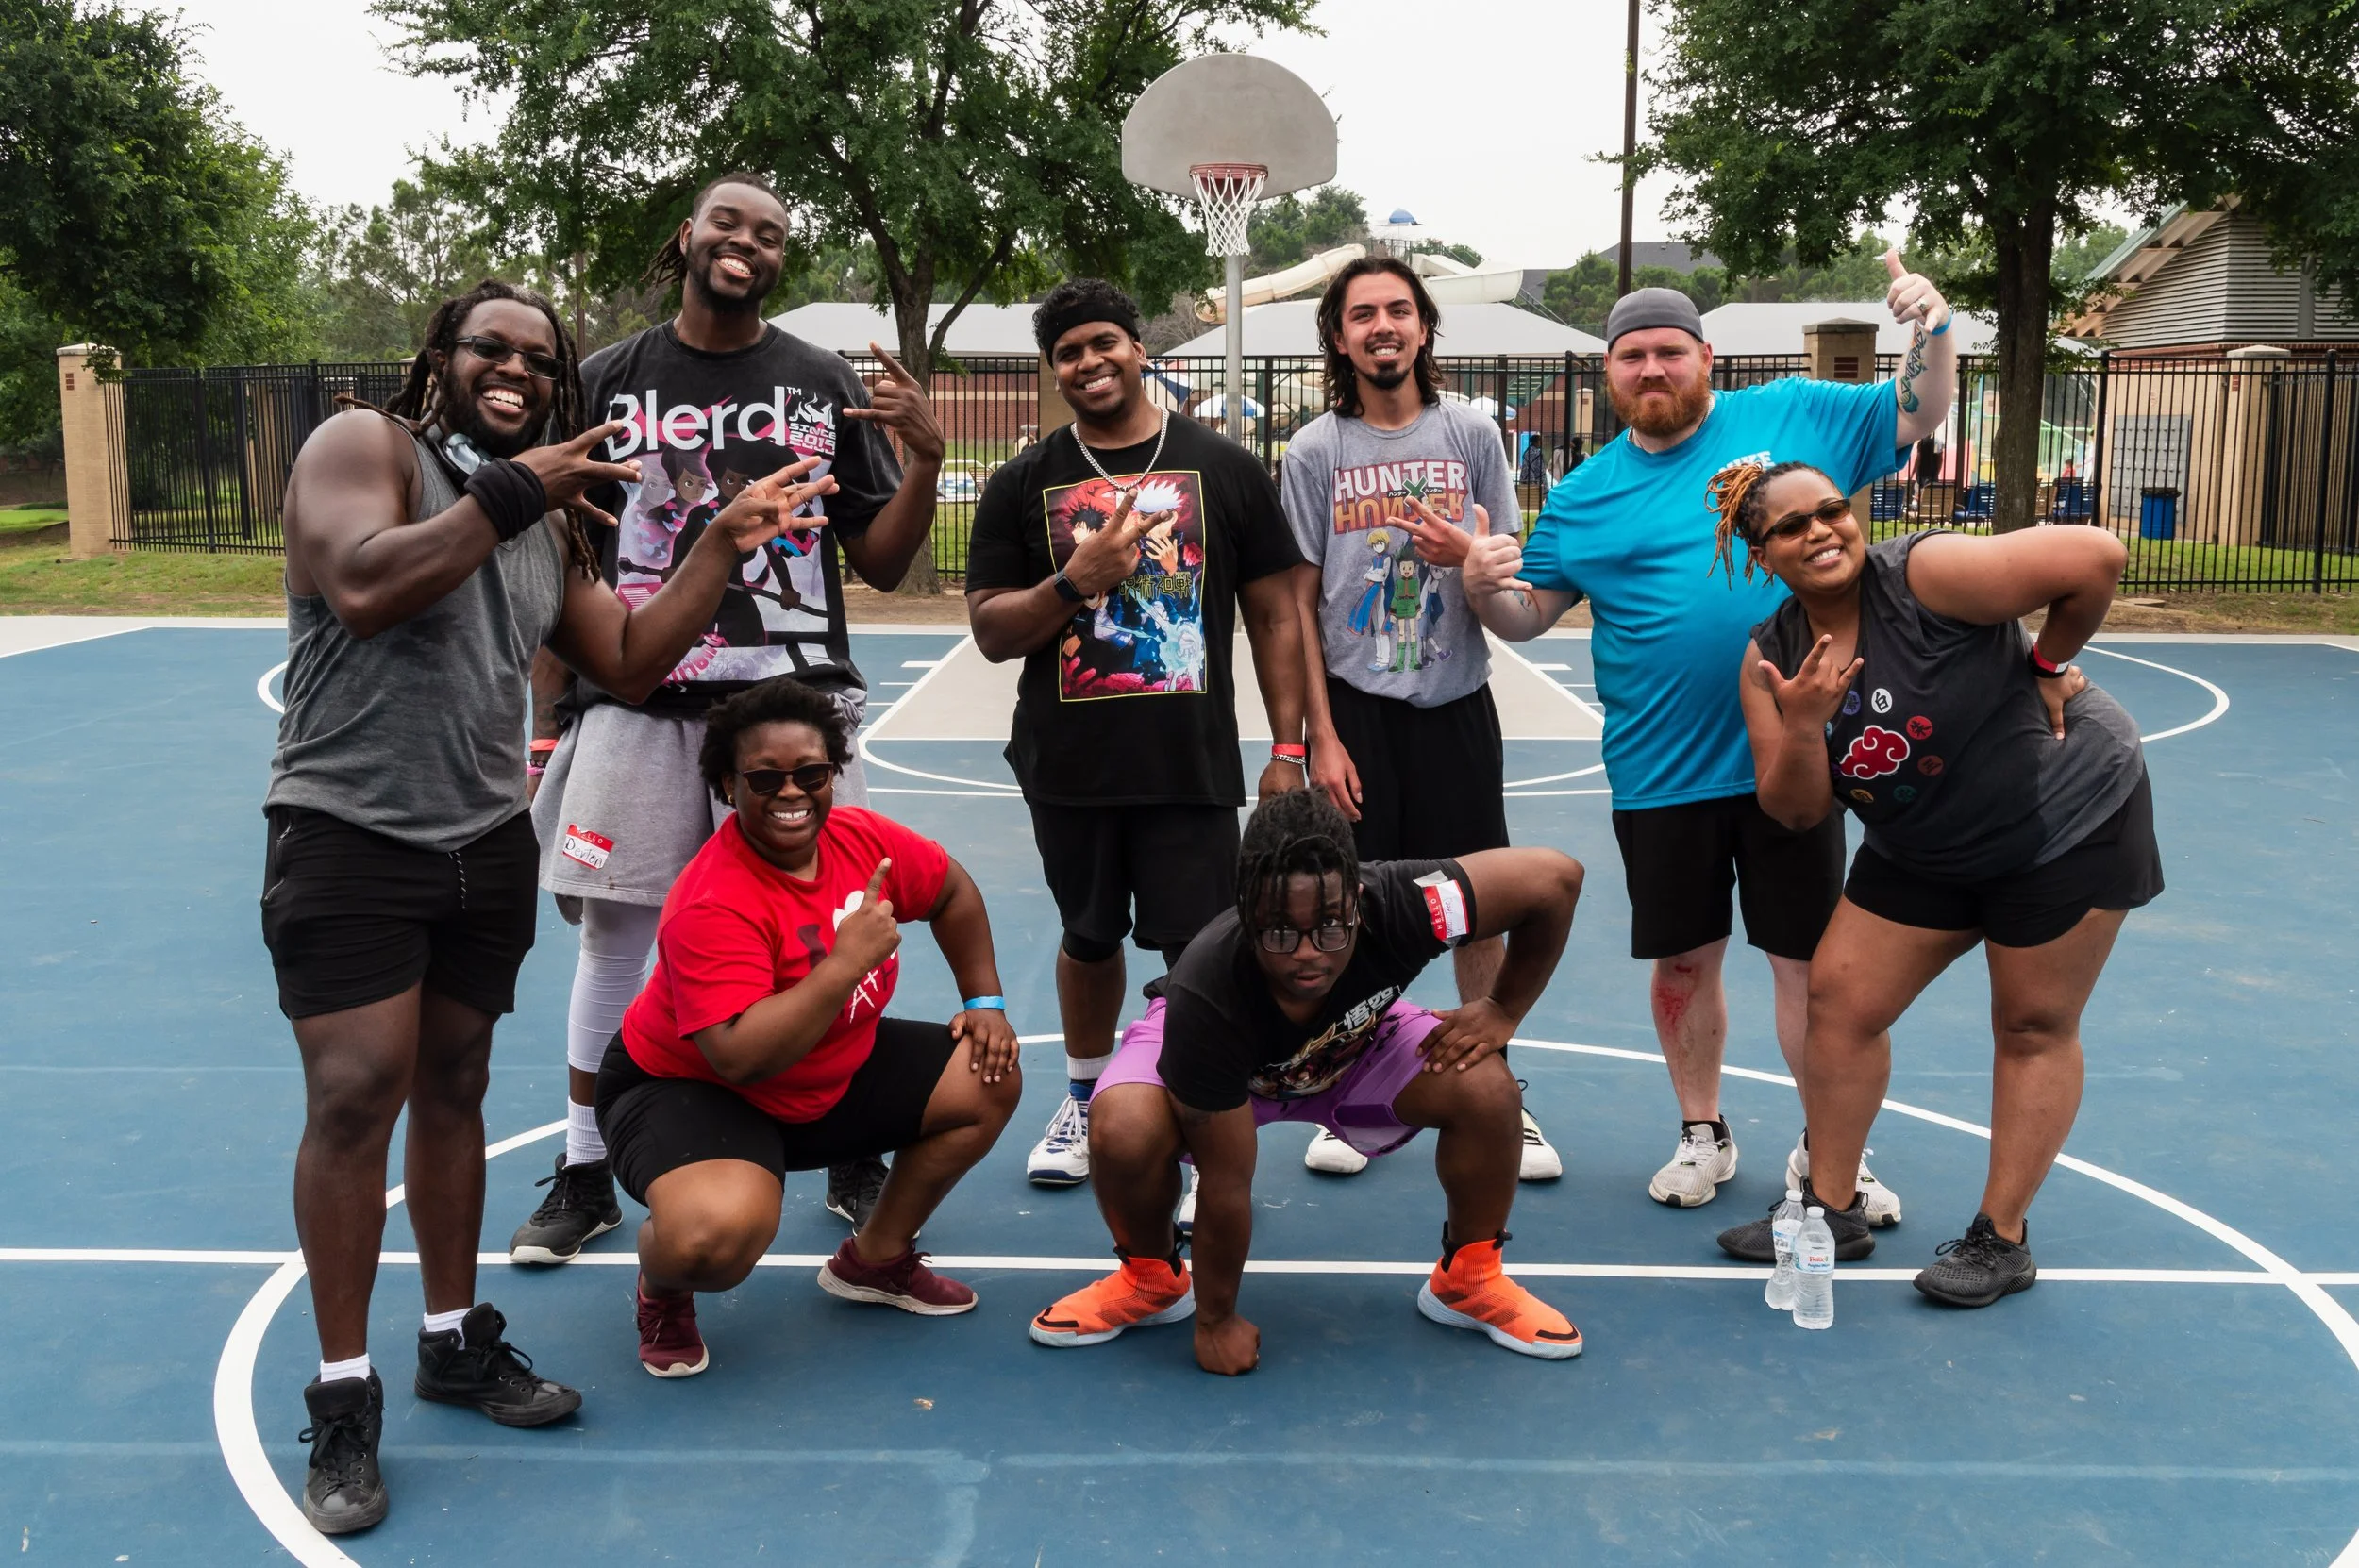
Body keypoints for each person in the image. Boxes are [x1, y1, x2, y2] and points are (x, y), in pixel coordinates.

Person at [264, 279, 835, 1534]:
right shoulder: (368, 448)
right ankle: (345, 1388)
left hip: (477, 842)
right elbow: (364, 582)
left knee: (456, 1084)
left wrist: (721, 546)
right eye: (491, 348)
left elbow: (627, 658)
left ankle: (453, 1337)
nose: (516, 368)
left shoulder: (542, 524)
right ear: (444, 358)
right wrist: (509, 492)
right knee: (359, 1090)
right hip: (349, 828)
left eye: (541, 358)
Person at [1461, 256, 1958, 1217]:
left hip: (1794, 757)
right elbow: (1529, 617)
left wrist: (1932, 330)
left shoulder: (1793, 415)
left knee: (1807, 965)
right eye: (1633, 357)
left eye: (1670, 354)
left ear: (1706, 358)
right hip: (1659, 767)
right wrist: (1484, 586)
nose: (1653, 371)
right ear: (1610, 374)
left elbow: (1917, 410)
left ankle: (1830, 1151)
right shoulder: (1584, 494)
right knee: (1683, 960)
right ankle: (1703, 1133)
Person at [513, 173, 945, 1266]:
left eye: (770, 232)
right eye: (727, 223)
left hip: (793, 709)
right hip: (645, 700)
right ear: (688, 236)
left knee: (819, 944)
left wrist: (929, 459)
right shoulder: (607, 378)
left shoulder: (816, 380)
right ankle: (583, 1164)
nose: (746, 242)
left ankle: (847, 1144)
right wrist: (545, 722)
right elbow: (563, 564)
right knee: (620, 939)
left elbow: (884, 564)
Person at [1707, 462, 2156, 1305]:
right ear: (1761, 555)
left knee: (2031, 1022)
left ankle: (2002, 1238)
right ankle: (1830, 1209)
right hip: (1923, 844)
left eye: (1832, 510)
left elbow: (2096, 556)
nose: (1821, 532)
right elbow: (1798, 812)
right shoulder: (1773, 659)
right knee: (1840, 1004)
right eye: (1792, 527)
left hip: (2063, 815)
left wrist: (2049, 661)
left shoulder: (1924, 575)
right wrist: (1804, 727)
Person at [1028, 789, 1587, 1369]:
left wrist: (1503, 1009)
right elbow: (1226, 1181)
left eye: (1329, 929)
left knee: (1487, 1087)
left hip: (1351, 1043)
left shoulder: (1408, 903)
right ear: (1245, 909)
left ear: (1357, 899)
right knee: (1122, 1126)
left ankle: (1467, 1282)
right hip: (1229, 1064)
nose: (1307, 955)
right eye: (1278, 933)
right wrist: (1217, 1320)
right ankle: (1151, 1279)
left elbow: (1554, 880)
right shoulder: (1207, 988)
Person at [964, 278, 1309, 1191]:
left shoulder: (1224, 468)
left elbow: (1276, 616)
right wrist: (1076, 580)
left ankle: (1194, 1116)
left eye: (1103, 342)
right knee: (1087, 939)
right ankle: (1084, 1098)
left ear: (1136, 348)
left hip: (1188, 766)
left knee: (1198, 953)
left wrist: (1289, 748)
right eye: (1069, 352)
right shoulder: (1023, 482)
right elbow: (994, 633)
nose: (1089, 362)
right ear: (1056, 371)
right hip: (1067, 765)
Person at [597, 676, 1021, 1375]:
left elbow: (951, 891)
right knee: (715, 1239)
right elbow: (739, 1056)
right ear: (728, 787)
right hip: (693, 1088)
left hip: (825, 1068)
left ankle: (875, 1260)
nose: (790, 793)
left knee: (988, 1076)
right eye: (764, 779)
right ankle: (664, 1288)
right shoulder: (714, 900)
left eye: (811, 773)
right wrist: (843, 964)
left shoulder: (861, 840)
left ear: (833, 774)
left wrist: (985, 1005)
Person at [1280, 255, 1561, 1183]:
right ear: (1338, 337)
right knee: (1353, 898)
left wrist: (1470, 556)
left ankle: (1493, 1082)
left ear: (1424, 327)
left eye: (1398, 309)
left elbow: (1507, 562)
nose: (1382, 325)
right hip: (1357, 709)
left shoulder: (1471, 433)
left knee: (1477, 900)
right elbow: (1300, 601)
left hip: (1454, 701)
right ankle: (1348, 1084)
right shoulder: (1314, 451)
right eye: (1362, 313)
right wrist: (1317, 733)